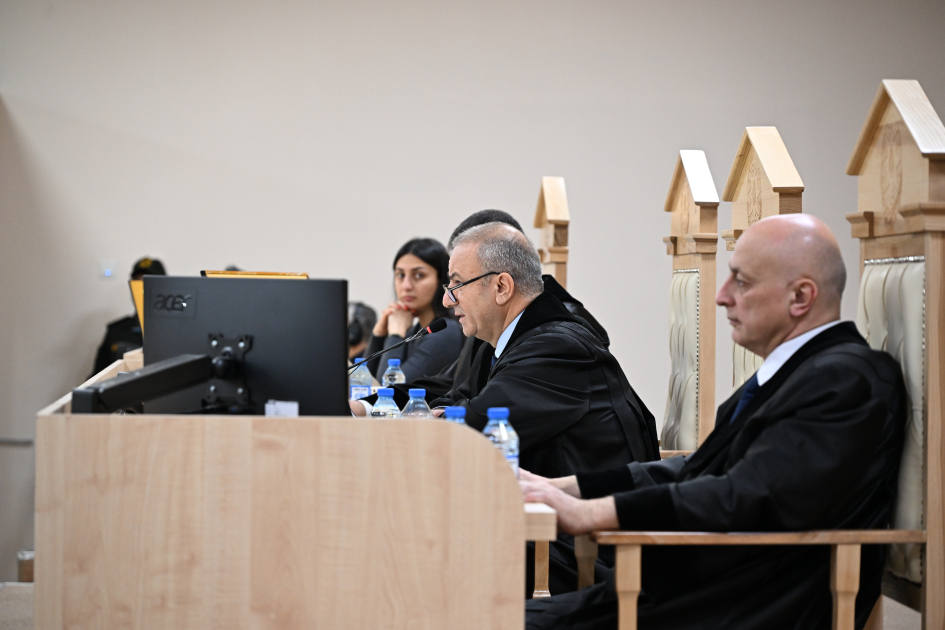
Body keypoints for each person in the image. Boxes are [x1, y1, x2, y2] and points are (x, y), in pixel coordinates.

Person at [521, 214, 907, 630]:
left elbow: (746, 494)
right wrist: (566, 488)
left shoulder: (847, 379)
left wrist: (592, 513)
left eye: (741, 281)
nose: (721, 296)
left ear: (800, 296)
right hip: (691, 595)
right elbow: (700, 468)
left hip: (738, 608)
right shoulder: (800, 372)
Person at [364, 238, 464, 383]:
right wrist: (378, 335)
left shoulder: (445, 332)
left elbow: (389, 390)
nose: (406, 286)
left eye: (419, 275)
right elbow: (363, 383)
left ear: (442, 280)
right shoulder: (414, 331)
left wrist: (395, 334)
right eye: (400, 275)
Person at [90, 257, 166, 376]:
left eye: (148, 283)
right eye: (137, 283)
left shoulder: (177, 332)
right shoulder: (117, 331)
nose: (142, 289)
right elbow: (97, 377)